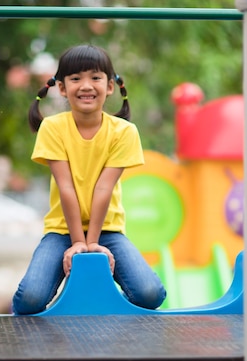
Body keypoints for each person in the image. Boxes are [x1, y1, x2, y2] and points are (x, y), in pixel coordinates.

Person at [12, 44, 166, 315]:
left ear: (109, 86)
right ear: (61, 88)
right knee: (30, 299)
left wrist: (92, 243)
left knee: (150, 293)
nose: (86, 86)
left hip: (107, 229)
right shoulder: (53, 127)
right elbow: (66, 187)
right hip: (61, 230)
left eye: (95, 78)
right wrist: (77, 243)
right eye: (75, 79)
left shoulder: (124, 132)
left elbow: (104, 188)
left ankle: (111, 315)